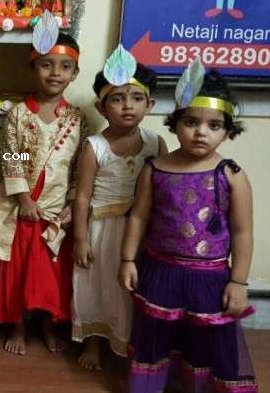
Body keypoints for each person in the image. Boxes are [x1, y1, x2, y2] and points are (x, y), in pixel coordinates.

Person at [119, 60, 257, 392]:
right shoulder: (155, 169)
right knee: (156, 337)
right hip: (160, 272)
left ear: (228, 130)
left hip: (210, 278)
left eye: (214, 125)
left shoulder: (231, 175)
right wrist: (127, 259)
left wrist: (238, 281)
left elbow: (243, 232)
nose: (201, 132)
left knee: (205, 341)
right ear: (176, 122)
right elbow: (138, 217)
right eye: (191, 122)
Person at [0, 14, 85, 355]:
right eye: (46, 65)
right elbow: (10, 158)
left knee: (49, 273)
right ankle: (17, 325)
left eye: (65, 66)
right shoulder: (18, 114)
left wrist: (72, 204)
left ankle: (47, 324)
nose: (55, 73)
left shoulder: (77, 119)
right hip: (22, 207)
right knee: (18, 270)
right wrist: (24, 199)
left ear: (75, 73)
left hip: (55, 208)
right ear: (32, 68)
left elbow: (80, 167)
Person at [71, 46, 165, 370]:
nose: (128, 106)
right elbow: (82, 196)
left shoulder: (155, 143)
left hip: (141, 231)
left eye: (137, 98)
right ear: (102, 107)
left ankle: (131, 344)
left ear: (149, 105)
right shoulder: (94, 146)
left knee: (132, 290)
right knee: (97, 286)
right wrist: (80, 239)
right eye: (118, 99)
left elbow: (163, 189)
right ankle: (94, 343)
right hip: (102, 229)